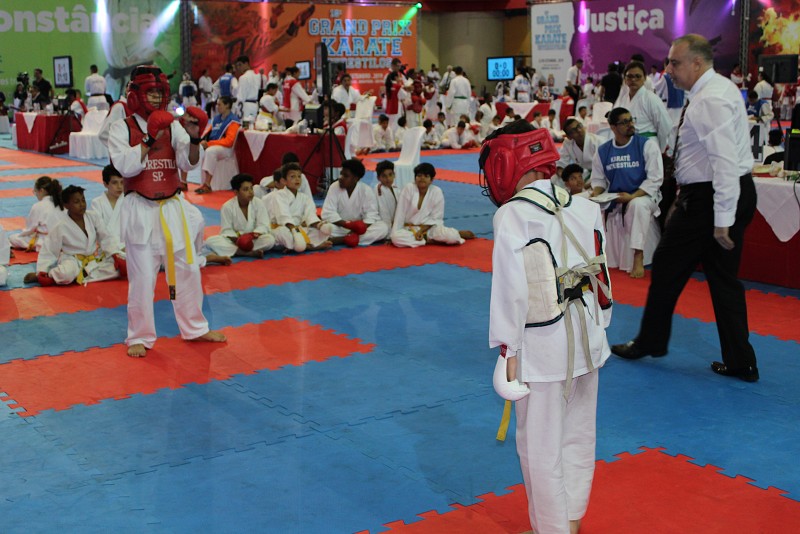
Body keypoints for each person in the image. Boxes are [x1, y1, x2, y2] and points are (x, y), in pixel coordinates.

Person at [482, 121, 611, 534]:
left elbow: (510, 293)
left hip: (542, 349)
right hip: (590, 341)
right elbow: (602, 279)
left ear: (505, 163)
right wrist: (601, 329)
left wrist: (508, 354)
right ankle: (570, 523)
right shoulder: (585, 206)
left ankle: (552, 531)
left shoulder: (512, 215)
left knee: (539, 448)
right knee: (578, 435)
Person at [611, 34, 759, 382]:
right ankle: (740, 361)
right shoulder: (718, 89)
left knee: (666, 265)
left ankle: (651, 341)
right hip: (714, 194)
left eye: (675, 63)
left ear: (697, 62)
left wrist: (722, 220)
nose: (669, 70)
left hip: (713, 198)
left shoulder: (710, 100)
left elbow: (724, 163)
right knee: (722, 280)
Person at [107, 64, 226, 358]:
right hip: (140, 207)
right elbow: (125, 167)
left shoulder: (172, 125)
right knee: (143, 277)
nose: (157, 98)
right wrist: (149, 138)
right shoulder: (121, 127)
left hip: (172, 205)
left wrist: (195, 137)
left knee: (188, 270)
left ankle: (195, 328)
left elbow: (189, 163)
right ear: (135, 94)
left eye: (161, 92)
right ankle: (139, 336)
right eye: (151, 92)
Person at [591, 107, 663, 278]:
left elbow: (655, 178)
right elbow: (599, 180)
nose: (630, 124)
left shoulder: (646, 145)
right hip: (616, 196)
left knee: (637, 205)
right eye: (624, 122)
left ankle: (638, 255)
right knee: (586, 203)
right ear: (613, 127)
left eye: (631, 120)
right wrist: (595, 195)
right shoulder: (603, 150)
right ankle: (592, 255)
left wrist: (633, 196)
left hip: (644, 195)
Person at [25, 186, 126, 286]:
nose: (82, 204)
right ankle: (50, 275)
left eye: (83, 200)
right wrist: (42, 270)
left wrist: (114, 254)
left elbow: (105, 237)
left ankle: (78, 275)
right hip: (72, 260)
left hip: (93, 259)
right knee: (66, 274)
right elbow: (49, 249)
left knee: (118, 267)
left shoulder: (93, 216)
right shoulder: (60, 225)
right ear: (66, 205)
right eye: (77, 202)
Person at [391, 162, 474, 247]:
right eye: (419, 175)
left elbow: (436, 218)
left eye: (426, 176)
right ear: (415, 178)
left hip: (430, 229)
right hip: (409, 229)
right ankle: (430, 241)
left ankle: (450, 234)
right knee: (396, 238)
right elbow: (400, 213)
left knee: (452, 237)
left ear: (431, 180)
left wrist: (421, 231)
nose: (422, 178)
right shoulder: (408, 188)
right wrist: (395, 232)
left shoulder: (437, 192)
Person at [321, 159, 389, 247]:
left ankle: (342, 239)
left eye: (345, 176)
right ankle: (350, 238)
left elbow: (371, 216)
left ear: (356, 178)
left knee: (383, 228)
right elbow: (328, 213)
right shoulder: (334, 187)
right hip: (339, 226)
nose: (340, 178)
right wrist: (349, 225)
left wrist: (357, 229)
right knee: (323, 228)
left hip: (359, 229)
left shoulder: (366, 190)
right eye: (341, 174)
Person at [205, 173, 276, 258]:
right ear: (236, 192)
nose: (250, 192)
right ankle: (245, 252)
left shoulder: (258, 203)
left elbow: (263, 225)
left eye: (251, 188)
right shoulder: (227, 207)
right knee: (211, 241)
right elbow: (226, 230)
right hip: (235, 240)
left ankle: (235, 251)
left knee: (270, 240)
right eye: (246, 189)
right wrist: (239, 240)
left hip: (253, 239)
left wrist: (250, 236)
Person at [271, 162, 333, 253]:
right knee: (283, 233)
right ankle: (309, 246)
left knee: (319, 231)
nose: (297, 179)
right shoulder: (279, 195)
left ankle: (298, 245)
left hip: (299, 228)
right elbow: (283, 216)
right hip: (285, 228)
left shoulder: (304, 197)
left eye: (299, 176)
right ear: (284, 181)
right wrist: (294, 231)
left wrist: (319, 225)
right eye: (292, 176)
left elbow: (310, 215)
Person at [614, 60, 673, 151]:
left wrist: (660, 149)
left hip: (648, 146)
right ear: (625, 79)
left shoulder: (651, 98)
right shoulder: (623, 99)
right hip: (628, 146)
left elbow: (665, 127)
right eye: (629, 76)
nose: (633, 79)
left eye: (638, 76)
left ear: (645, 78)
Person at [195, 96, 241, 194]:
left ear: (227, 105)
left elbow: (229, 141)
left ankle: (207, 184)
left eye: (219, 104)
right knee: (199, 149)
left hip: (227, 149)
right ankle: (189, 182)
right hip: (215, 145)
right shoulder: (216, 119)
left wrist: (209, 144)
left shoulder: (233, 121)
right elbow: (208, 133)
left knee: (210, 151)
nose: (217, 107)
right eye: (217, 104)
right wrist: (201, 141)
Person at [9, 176, 62, 251]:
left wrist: (21, 235)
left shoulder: (38, 206)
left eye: (35, 191)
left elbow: (30, 229)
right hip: (62, 241)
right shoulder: (62, 203)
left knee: (13, 238)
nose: (36, 194)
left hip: (45, 242)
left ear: (41, 190)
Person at [89, 164, 126, 244]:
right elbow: (99, 230)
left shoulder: (129, 201)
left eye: (122, 182)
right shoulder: (97, 203)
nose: (119, 186)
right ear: (105, 184)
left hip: (128, 246)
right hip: (106, 246)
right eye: (114, 183)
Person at [234, 56, 260, 122]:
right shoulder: (257, 76)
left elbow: (241, 96)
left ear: (246, 64)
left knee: (243, 126)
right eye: (237, 66)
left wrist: (236, 109)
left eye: (240, 65)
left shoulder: (243, 77)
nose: (238, 68)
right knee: (252, 126)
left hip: (245, 106)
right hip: (255, 105)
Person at [374, 160, 400, 226]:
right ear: (378, 178)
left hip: (395, 221)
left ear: (394, 175)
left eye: (390, 175)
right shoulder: (379, 190)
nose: (388, 178)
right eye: (384, 176)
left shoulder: (395, 188)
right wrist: (390, 227)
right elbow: (383, 213)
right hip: (384, 223)